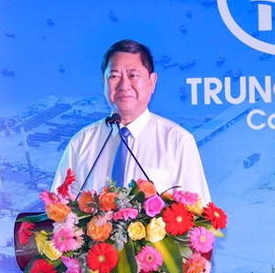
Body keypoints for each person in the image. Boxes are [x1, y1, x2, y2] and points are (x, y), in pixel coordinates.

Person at [52, 39, 211, 200]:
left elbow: (198, 211)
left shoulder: (177, 141)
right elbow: (57, 208)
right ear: (104, 82)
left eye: (133, 75)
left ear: (152, 82)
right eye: (114, 76)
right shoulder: (81, 142)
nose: (124, 85)